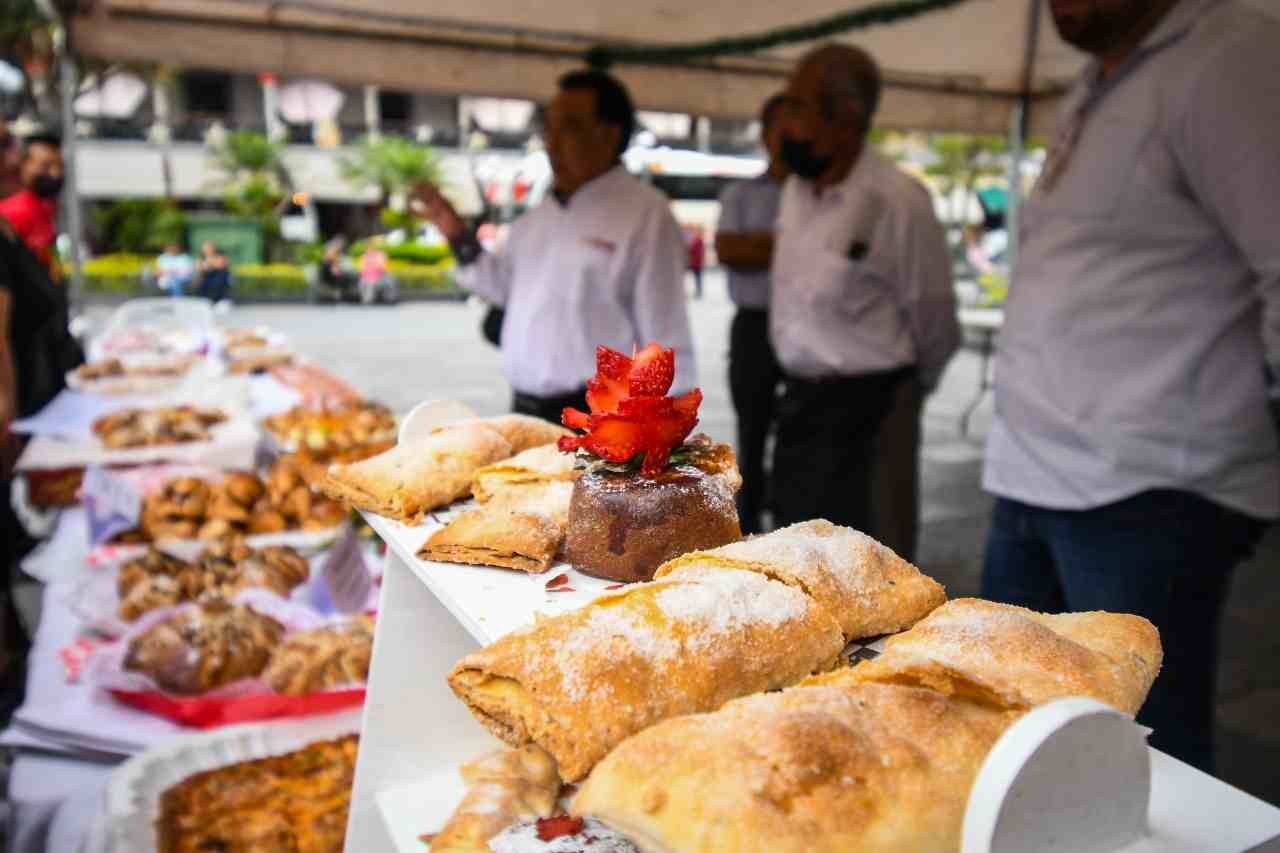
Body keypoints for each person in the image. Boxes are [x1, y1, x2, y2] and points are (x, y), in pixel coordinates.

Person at [980, 0, 1280, 775]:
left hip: (1147, 493)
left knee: (1137, 768)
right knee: (1008, 737)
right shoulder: (1100, 80)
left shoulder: (1230, 59)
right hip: (1031, 475)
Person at [412, 69, 694, 422]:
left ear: (609, 135)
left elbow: (665, 334)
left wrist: (661, 437)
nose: (552, 143)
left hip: (601, 418)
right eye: (549, 128)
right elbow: (503, 289)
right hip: (525, 411)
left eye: (570, 128)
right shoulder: (535, 219)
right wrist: (456, 232)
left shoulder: (645, 215)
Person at [769, 44, 958, 536]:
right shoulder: (796, 190)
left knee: (878, 566)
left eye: (797, 106)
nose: (784, 123)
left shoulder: (898, 201)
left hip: (873, 415)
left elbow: (934, 317)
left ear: (847, 116)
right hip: (800, 407)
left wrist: (906, 392)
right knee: (795, 552)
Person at [715, 92, 789, 534]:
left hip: (806, 328)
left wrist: (760, 245)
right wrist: (792, 246)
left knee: (799, 435)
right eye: (781, 126)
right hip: (754, 327)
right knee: (752, 428)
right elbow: (728, 248)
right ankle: (748, 522)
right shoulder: (741, 194)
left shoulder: (819, 197)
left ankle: (791, 521)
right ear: (765, 135)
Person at [358, 236, 393, 305]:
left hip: (378, 277)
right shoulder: (364, 256)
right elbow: (361, 269)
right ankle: (366, 299)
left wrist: (378, 265)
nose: (369, 249)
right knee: (364, 282)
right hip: (366, 277)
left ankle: (368, 300)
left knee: (370, 283)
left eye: (371, 248)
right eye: (368, 248)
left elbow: (382, 268)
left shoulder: (380, 255)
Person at [686, 226, 705, 300]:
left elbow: (693, 251)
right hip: (696, 263)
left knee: (697, 278)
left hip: (696, 263)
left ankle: (698, 292)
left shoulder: (698, 241)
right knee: (697, 278)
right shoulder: (697, 241)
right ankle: (698, 291)